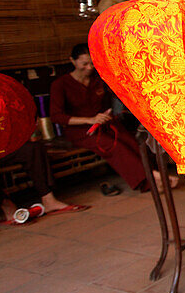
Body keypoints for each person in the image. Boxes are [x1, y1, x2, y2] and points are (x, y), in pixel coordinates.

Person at [50, 43, 169, 192]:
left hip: (105, 123)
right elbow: (56, 116)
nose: (89, 67)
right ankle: (151, 179)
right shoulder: (60, 84)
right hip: (81, 131)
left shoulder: (97, 79)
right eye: (84, 64)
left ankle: (155, 175)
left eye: (92, 63)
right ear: (72, 61)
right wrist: (90, 120)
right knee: (113, 146)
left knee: (131, 142)